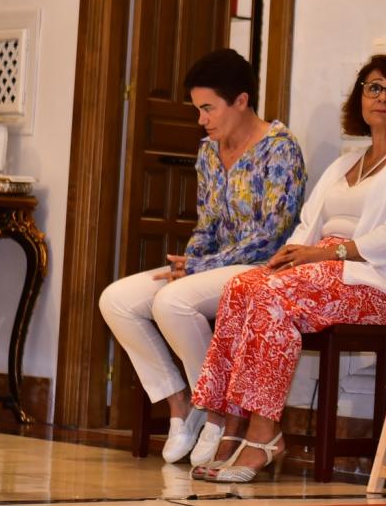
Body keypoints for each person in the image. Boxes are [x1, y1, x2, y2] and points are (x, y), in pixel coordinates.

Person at [189, 54, 386, 483]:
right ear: (360, 98)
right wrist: (288, 258)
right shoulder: (346, 163)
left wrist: (328, 256)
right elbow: (308, 226)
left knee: (270, 297)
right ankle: (227, 419)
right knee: (243, 286)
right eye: (374, 88)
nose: (383, 98)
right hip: (322, 270)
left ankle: (263, 434)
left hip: (377, 283)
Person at [98, 48, 305, 464]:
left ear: (241, 100)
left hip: (258, 270)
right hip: (209, 267)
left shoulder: (281, 149)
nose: (201, 119)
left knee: (173, 302)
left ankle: (219, 410)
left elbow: (272, 237)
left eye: (208, 108)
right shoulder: (208, 151)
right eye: (198, 109)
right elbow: (207, 223)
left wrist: (195, 269)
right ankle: (182, 405)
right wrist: (187, 263)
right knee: (116, 300)